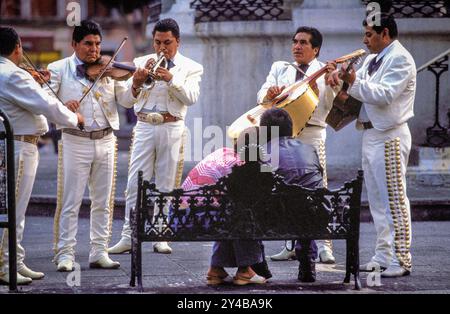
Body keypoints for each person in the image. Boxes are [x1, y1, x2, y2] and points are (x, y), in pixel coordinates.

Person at [327, 14, 415, 277]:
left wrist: (352, 82)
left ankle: (401, 259)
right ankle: (383, 255)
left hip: (390, 135)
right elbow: (357, 88)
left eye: (369, 34)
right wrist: (339, 78)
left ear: (385, 34)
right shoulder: (372, 60)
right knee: (377, 201)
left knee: (394, 200)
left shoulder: (400, 58)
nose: (364, 40)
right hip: (372, 134)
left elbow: (383, 94)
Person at [108, 18, 203, 255]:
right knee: (133, 182)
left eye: (167, 43)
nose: (162, 48)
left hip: (171, 126)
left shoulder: (191, 67)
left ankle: (161, 233)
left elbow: (191, 98)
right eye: (158, 42)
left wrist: (171, 79)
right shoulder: (140, 62)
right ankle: (129, 235)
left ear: (177, 42)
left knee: (166, 182)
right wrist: (136, 84)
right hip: (143, 126)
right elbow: (127, 101)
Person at [47, 20, 136, 272]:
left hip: (107, 139)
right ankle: (64, 254)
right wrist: (64, 108)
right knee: (70, 200)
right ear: (74, 44)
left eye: (97, 44)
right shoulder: (58, 69)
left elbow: (127, 101)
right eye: (88, 44)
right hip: (75, 139)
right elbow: (46, 106)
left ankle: (99, 251)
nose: (94, 50)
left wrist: (137, 83)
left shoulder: (108, 69)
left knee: (103, 200)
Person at [0, 26, 83, 284]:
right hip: (18, 146)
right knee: (14, 208)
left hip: (17, 144)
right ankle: (4, 266)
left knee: (18, 208)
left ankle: (15, 259)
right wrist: (74, 118)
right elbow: (45, 105)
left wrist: (35, 82)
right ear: (17, 48)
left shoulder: (10, 73)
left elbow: (32, 99)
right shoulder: (13, 75)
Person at [257, 26, 337, 263]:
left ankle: (324, 245)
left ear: (315, 49)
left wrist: (333, 82)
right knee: (283, 186)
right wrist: (270, 94)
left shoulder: (325, 72)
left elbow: (329, 103)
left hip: (313, 133)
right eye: (295, 42)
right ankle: (290, 243)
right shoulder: (280, 68)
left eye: (303, 43)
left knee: (317, 189)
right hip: (286, 135)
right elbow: (261, 94)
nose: (297, 46)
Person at [260, 108, 324, 282]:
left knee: (251, 205)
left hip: (280, 219)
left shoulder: (262, 152)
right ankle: (307, 261)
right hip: (318, 215)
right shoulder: (309, 149)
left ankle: (257, 264)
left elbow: (259, 188)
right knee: (306, 205)